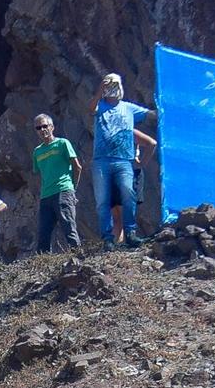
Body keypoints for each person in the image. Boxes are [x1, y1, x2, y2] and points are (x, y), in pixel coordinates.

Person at [90, 73, 157, 247]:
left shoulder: (129, 108)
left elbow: (151, 115)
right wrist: (99, 91)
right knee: (103, 200)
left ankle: (131, 233)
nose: (113, 88)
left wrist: (166, 107)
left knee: (128, 194)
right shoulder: (100, 105)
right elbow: (91, 108)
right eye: (109, 85)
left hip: (124, 160)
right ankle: (107, 239)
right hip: (101, 160)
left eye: (116, 84)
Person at [30, 114, 82, 253]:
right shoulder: (37, 151)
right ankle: (42, 265)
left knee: (68, 227)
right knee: (43, 234)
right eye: (38, 127)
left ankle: (78, 259)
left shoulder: (62, 143)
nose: (42, 130)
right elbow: (38, 174)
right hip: (46, 196)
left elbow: (77, 167)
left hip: (63, 191)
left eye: (45, 126)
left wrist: (72, 189)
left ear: (52, 127)